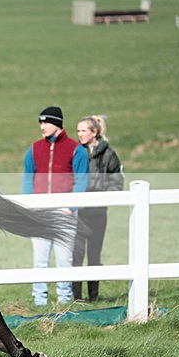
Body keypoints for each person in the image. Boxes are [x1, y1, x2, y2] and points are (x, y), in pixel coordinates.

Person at [22, 106, 89, 306]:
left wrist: (70, 207)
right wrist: (30, 205)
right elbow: (28, 178)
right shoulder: (34, 149)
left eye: (46, 122)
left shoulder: (76, 149)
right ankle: (39, 300)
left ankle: (64, 299)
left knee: (64, 259)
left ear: (57, 123)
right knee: (40, 260)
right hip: (40, 213)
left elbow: (82, 180)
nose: (42, 127)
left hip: (65, 213)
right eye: (40, 123)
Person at [72, 115, 124, 302]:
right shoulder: (76, 152)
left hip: (98, 212)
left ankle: (93, 297)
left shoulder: (109, 154)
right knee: (77, 255)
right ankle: (77, 299)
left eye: (83, 130)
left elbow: (117, 181)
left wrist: (102, 197)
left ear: (94, 132)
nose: (80, 134)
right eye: (78, 131)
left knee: (94, 254)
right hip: (78, 211)